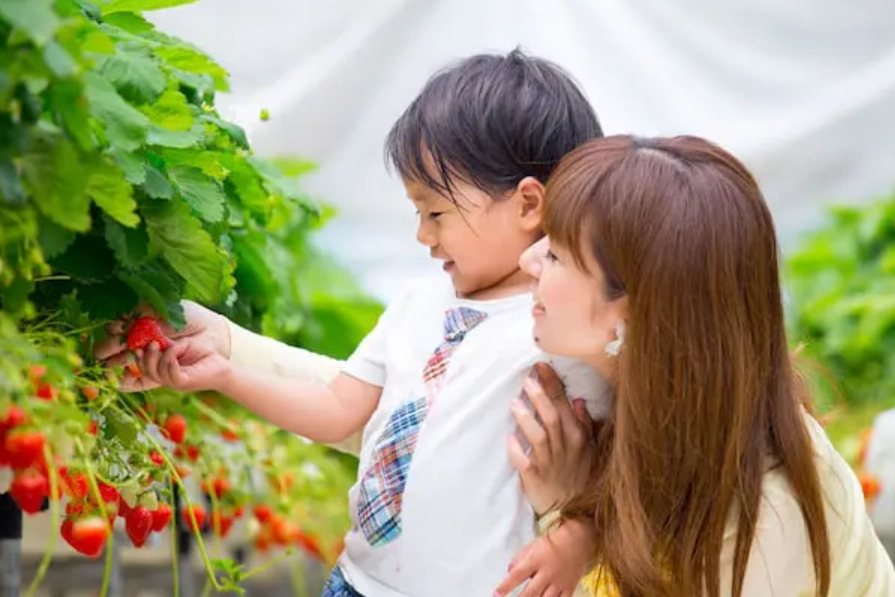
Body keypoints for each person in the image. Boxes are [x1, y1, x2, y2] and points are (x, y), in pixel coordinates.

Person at [98, 49, 605, 597]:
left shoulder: (562, 332)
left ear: (529, 205)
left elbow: (616, 474)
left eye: (435, 213)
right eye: (416, 213)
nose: (422, 235)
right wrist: (226, 372)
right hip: (356, 584)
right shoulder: (416, 303)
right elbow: (337, 409)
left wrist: (579, 535)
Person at [493, 135, 895, 597]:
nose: (528, 260)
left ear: (633, 314)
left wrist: (564, 513)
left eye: (557, 255)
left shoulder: (767, 524)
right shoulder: (673, 406)